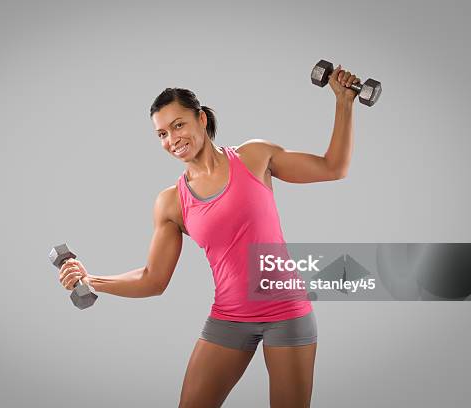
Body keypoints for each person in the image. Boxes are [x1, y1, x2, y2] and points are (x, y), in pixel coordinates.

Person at [59, 65, 359, 407]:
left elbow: (333, 167)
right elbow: (153, 279)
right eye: (162, 134)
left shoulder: (254, 156)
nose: (172, 140)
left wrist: (344, 102)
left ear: (201, 119)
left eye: (178, 125)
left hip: (286, 312)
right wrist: (93, 279)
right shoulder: (171, 202)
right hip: (229, 318)